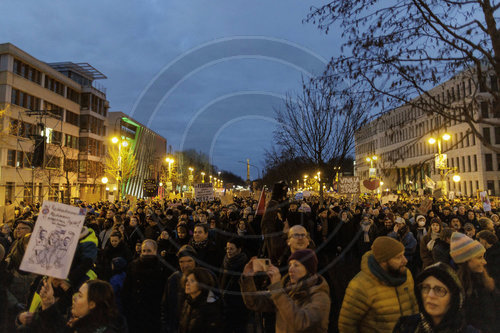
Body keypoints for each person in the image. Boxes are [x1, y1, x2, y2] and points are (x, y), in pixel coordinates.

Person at [338, 236, 418, 333]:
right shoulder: (360, 285)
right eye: (398, 257)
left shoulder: (406, 274)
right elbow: (347, 325)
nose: (405, 260)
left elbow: (413, 306)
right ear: (383, 261)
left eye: (403, 255)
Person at [240, 249, 331, 333]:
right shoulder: (287, 290)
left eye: (296, 265)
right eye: (290, 265)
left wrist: (277, 288)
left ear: (308, 269)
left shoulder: (320, 296)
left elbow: (301, 323)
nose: (290, 269)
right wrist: (247, 278)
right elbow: (255, 302)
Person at [393, 262, 479, 333]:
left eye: (440, 290)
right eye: (425, 288)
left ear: (453, 297)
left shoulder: (467, 330)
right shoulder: (406, 326)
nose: (430, 295)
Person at [450, 232, 500, 333]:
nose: (485, 262)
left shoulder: (485, 280)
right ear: (465, 261)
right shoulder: (458, 290)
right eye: (479, 257)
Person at [122, 239, 167, 333]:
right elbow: (127, 288)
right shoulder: (133, 266)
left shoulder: (161, 267)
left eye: (149, 251)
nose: (146, 253)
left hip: (153, 312)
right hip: (135, 311)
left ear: (155, 251)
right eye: (144, 251)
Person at [161, 245, 198, 333]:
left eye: (189, 261)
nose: (185, 265)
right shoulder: (173, 279)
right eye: (181, 262)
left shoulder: (204, 277)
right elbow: (165, 306)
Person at [220, 238, 249, 333]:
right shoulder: (225, 261)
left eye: (231, 249)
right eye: (227, 248)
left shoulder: (245, 264)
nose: (228, 251)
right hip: (225, 304)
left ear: (239, 250)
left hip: (239, 305)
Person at [179, 267, 221, 333]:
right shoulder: (187, 302)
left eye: (192, 281)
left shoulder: (211, 306)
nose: (187, 284)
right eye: (187, 280)